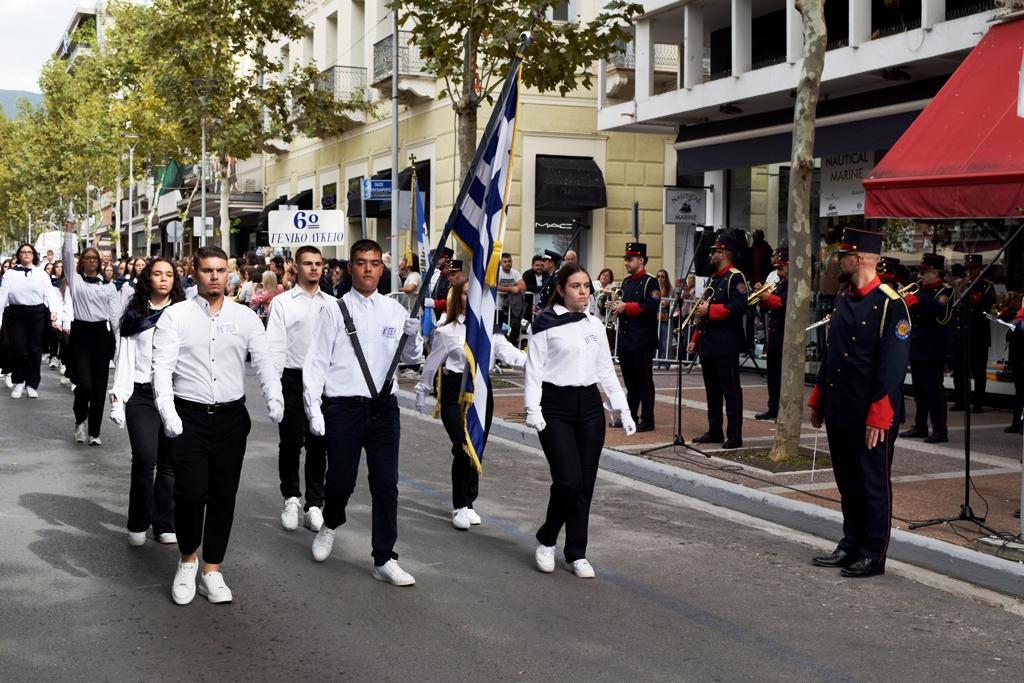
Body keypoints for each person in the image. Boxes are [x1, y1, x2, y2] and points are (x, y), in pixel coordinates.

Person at [152, 245, 284, 605]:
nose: (214, 276)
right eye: (207, 270)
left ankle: (213, 569)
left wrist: (275, 396)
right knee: (191, 494)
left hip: (230, 418)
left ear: (229, 274)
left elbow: (264, 361)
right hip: (188, 417)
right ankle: (187, 561)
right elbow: (161, 368)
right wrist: (168, 411)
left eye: (220, 270)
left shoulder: (245, 318)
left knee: (224, 496)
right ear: (194, 272)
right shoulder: (175, 316)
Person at [302, 239, 423, 585]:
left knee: (386, 484)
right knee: (340, 480)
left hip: (384, 408)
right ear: (349, 268)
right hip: (344, 406)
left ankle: (384, 557)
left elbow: (410, 358)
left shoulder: (395, 311)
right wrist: (314, 410)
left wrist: (414, 337)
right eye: (360, 262)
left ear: (381, 269)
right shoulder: (334, 310)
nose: (367, 269)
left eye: (373, 263)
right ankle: (330, 522)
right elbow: (315, 363)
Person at [808, 228, 910, 578]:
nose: (838, 261)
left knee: (872, 486)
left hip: (870, 413)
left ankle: (873, 553)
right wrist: (818, 398)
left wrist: (879, 417)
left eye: (842, 256)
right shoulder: (844, 297)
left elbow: (892, 369)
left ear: (860, 259)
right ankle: (851, 543)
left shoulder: (890, 304)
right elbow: (832, 353)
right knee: (847, 483)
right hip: (841, 406)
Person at [525, 263, 635, 578]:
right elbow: (534, 369)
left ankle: (576, 551)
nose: (583, 291)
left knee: (585, 483)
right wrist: (533, 408)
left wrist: (622, 409)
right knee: (568, 480)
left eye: (586, 285)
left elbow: (604, 371)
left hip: (588, 406)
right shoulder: (544, 323)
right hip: (554, 405)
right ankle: (547, 539)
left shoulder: (594, 325)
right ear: (561, 289)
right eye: (576, 286)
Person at [414, 280, 526, 529]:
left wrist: (537, 361)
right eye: (466, 294)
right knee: (462, 447)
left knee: (476, 447)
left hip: (482, 394)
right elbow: (432, 365)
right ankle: (459, 505)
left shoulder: (490, 330)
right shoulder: (447, 331)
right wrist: (422, 390)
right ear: (458, 298)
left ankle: (469, 502)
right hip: (455, 394)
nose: (471, 298)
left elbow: (510, 355)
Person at [110, 258, 186, 548]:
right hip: (142, 395)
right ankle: (138, 522)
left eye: (169, 274)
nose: (164, 279)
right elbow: (125, 361)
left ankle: (164, 523)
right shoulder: (135, 314)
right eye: (158, 274)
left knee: (169, 464)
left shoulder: (183, 313)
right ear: (148, 278)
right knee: (144, 460)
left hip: (177, 395)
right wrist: (118, 399)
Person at [266, 245, 333, 533]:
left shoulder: (333, 303)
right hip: (292, 380)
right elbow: (275, 348)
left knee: (320, 444)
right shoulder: (282, 303)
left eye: (318, 263)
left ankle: (315, 504)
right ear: (296, 266)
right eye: (308, 263)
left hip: (325, 382)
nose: (314, 268)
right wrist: (274, 390)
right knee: (292, 442)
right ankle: (291, 497)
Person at [686, 232, 749, 448]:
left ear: (723, 254)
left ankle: (735, 434)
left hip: (726, 343)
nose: (710, 254)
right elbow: (700, 311)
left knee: (730, 390)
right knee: (712, 391)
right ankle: (715, 430)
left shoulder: (735, 277)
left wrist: (710, 310)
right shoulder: (714, 278)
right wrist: (695, 337)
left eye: (714, 251)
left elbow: (740, 308)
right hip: (709, 342)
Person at [63, 219, 120, 444]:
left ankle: (95, 432)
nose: (91, 261)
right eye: (87, 258)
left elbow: (114, 316)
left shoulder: (109, 286)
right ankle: (80, 420)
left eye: (94, 258)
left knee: (99, 386)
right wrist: (69, 228)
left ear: (100, 262)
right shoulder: (75, 281)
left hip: (100, 335)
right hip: (80, 333)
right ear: (82, 262)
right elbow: (67, 253)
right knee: (84, 384)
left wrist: (118, 342)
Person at [899, 254, 954, 443]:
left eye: (924, 272)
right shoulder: (922, 290)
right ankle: (920, 426)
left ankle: (940, 430)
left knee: (934, 391)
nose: (920, 276)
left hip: (932, 349)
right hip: (917, 347)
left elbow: (934, 310)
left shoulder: (945, 291)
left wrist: (914, 303)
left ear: (936, 273)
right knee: (919, 391)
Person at [606, 243, 659, 432]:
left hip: (642, 340)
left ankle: (648, 418)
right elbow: (623, 307)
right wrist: (614, 307)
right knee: (630, 382)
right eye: (626, 259)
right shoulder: (627, 282)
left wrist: (625, 307)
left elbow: (651, 307)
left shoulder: (650, 282)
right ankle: (631, 415)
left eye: (630, 259)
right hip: (627, 339)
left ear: (641, 260)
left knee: (644, 381)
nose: (626, 263)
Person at [0, 243, 62, 398]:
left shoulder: (41, 274)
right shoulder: (10, 274)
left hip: (37, 313)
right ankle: (19, 382)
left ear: (33, 255)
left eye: (29, 252)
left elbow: (49, 294)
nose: (26, 254)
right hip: (16, 314)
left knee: (35, 349)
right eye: (23, 252)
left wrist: (53, 312)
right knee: (18, 348)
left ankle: (32, 384)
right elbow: (2, 297)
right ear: (19, 255)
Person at [950, 254, 995, 413]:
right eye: (967, 269)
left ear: (980, 268)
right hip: (961, 334)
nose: (969, 272)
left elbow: (984, 305)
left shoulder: (987, 286)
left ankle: (978, 402)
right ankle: (959, 401)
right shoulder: (963, 284)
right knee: (959, 370)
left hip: (978, 335)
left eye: (972, 268)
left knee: (978, 371)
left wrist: (968, 291)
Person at [754, 250, 788, 421]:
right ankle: (773, 407)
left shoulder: (793, 286)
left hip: (785, 337)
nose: (778, 272)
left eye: (781, 268)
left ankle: (783, 410)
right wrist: (762, 297)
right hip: (773, 337)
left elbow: (786, 307)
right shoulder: (779, 285)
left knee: (783, 376)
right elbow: (766, 309)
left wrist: (769, 297)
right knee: (773, 376)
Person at [495, 252, 526, 345]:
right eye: (505, 262)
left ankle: (510, 345)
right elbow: (495, 286)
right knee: (498, 330)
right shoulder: (498, 272)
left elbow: (523, 286)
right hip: (497, 307)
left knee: (514, 326)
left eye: (509, 261)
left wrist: (506, 289)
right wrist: (511, 288)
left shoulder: (515, 272)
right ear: (501, 263)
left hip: (510, 309)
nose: (508, 263)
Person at [655, 269, 673, 370]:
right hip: (655, 314)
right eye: (658, 276)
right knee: (655, 339)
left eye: (662, 276)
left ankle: (665, 362)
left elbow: (668, 302)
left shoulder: (670, 289)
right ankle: (655, 361)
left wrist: (662, 303)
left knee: (665, 340)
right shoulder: (654, 289)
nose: (660, 278)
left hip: (665, 315)